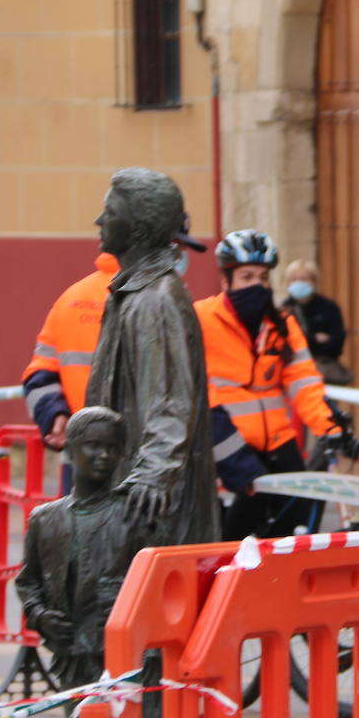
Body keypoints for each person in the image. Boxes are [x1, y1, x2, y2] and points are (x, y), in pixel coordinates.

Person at [15, 406, 150, 718]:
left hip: (125, 661)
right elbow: (29, 581)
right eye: (93, 446)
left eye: (112, 448)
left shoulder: (132, 514)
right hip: (74, 657)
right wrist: (39, 615)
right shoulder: (46, 519)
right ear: (70, 450)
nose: (103, 456)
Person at [85, 169, 219, 548]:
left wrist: (154, 476)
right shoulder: (133, 293)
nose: (99, 221)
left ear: (139, 229)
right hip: (126, 486)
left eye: (110, 212)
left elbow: (169, 400)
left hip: (151, 506)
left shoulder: (155, 301)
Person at [194, 229, 342, 540]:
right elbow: (196, 388)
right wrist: (233, 457)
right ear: (226, 281)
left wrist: (332, 429)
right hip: (226, 437)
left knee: (297, 511)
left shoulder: (281, 324)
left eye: (263, 278)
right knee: (241, 521)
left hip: (277, 438)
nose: (257, 286)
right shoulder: (202, 319)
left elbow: (303, 382)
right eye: (246, 277)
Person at [22, 215, 206, 453]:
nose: (179, 258)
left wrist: (54, 415)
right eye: (174, 247)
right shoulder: (164, 302)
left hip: (87, 453)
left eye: (181, 250)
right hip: (148, 456)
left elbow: (39, 375)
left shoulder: (72, 299)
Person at [281, 258, 351, 385]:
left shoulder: (328, 307)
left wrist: (305, 339)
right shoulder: (285, 308)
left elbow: (336, 344)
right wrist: (314, 338)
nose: (299, 283)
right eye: (294, 279)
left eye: (304, 279)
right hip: (293, 373)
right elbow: (285, 344)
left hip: (324, 374)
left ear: (314, 281)